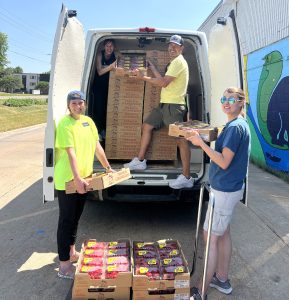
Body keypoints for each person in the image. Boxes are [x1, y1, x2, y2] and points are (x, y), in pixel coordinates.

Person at [187, 87, 251, 300]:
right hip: (229, 189)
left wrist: (201, 144)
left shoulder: (234, 128)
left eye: (231, 99)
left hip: (224, 190)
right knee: (222, 234)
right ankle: (221, 278)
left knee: (211, 238)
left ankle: (201, 291)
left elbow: (223, 161)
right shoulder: (236, 125)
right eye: (223, 99)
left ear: (241, 102)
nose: (226, 102)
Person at [55, 90, 113, 279]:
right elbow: (70, 153)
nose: (78, 106)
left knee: (75, 218)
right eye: (74, 103)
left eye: (80, 103)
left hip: (85, 177)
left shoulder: (88, 122)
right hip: (68, 179)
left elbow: (97, 146)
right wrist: (77, 178)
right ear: (68, 105)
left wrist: (107, 167)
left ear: (85, 104)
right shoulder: (65, 124)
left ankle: (71, 253)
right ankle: (64, 266)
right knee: (66, 220)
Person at [124, 34, 193, 189]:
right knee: (147, 126)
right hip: (164, 106)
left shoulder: (179, 62)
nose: (172, 48)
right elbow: (164, 80)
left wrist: (142, 77)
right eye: (170, 45)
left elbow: (162, 83)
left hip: (174, 107)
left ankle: (186, 177)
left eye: (175, 46)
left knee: (181, 141)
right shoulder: (174, 62)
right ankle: (140, 161)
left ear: (181, 48)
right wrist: (153, 68)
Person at [93, 39, 117, 140]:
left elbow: (120, 62)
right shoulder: (99, 55)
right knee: (99, 109)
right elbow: (99, 71)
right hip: (98, 87)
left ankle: (104, 131)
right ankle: (97, 132)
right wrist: (111, 67)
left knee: (107, 109)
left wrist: (106, 67)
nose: (109, 48)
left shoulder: (115, 55)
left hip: (110, 86)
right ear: (104, 46)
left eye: (111, 46)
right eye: (107, 46)